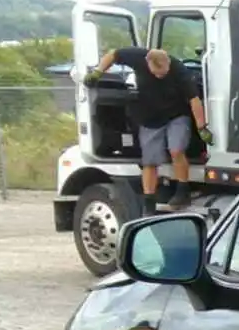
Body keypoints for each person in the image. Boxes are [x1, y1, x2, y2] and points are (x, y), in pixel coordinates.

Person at [88, 46, 211, 212]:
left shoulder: (179, 70)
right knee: (150, 162)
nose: (160, 75)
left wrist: (202, 127)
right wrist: (98, 72)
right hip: (150, 118)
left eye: (163, 72)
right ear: (147, 63)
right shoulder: (137, 57)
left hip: (176, 115)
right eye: (156, 73)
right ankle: (149, 203)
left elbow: (194, 100)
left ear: (168, 62)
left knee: (176, 149)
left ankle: (183, 190)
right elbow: (113, 54)